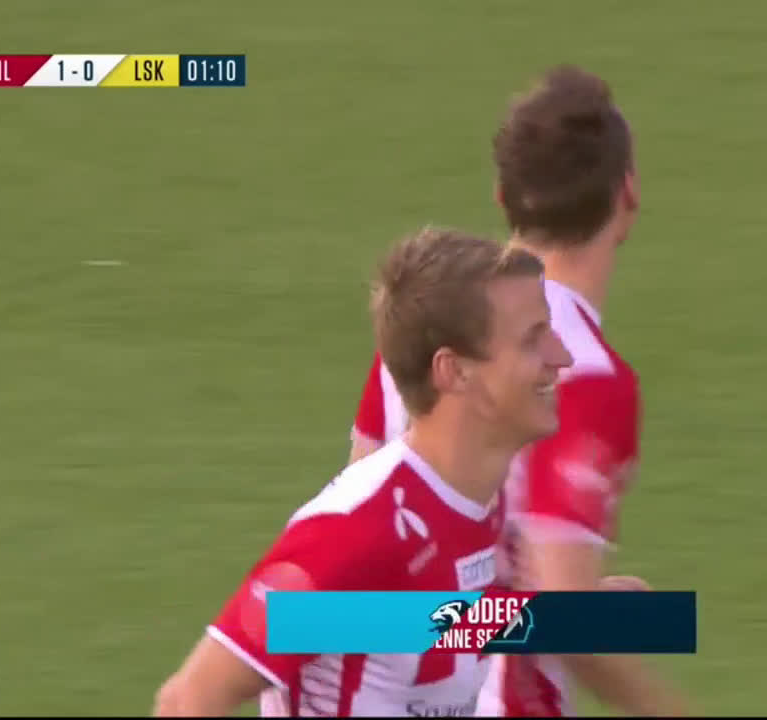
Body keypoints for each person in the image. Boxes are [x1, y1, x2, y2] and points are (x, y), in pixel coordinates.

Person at [345, 66, 689, 717]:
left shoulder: (420, 333)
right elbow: (562, 618)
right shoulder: (587, 378)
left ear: (503, 197)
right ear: (628, 193)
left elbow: (369, 564)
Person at [153, 227, 572, 717]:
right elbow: (189, 698)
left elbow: (415, 627)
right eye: (532, 340)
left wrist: (588, 618)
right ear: (454, 371)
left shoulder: (474, 499)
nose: (562, 357)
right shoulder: (355, 530)